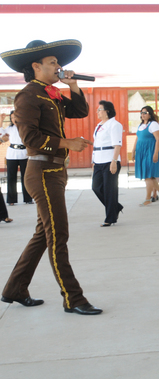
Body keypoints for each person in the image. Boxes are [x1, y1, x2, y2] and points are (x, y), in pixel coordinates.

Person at [0, 39, 102, 315]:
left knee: (44, 234)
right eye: (53, 62)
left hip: (55, 171)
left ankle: (14, 289)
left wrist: (73, 86)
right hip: (42, 171)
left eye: (58, 62)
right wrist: (67, 143)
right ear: (36, 66)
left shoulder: (50, 94)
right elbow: (30, 138)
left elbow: (80, 111)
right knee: (59, 234)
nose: (59, 66)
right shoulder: (28, 96)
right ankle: (73, 298)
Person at [91, 100, 124, 227]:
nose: (97, 112)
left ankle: (110, 218)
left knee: (110, 190)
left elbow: (117, 145)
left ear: (107, 111)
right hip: (98, 161)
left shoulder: (114, 125)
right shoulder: (99, 125)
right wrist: (93, 161)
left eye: (100, 109)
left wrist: (114, 161)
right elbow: (96, 144)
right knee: (96, 187)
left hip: (109, 160)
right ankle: (116, 207)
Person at [132, 105, 159, 206]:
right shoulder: (141, 125)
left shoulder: (154, 124)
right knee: (150, 176)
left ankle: (148, 198)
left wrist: (155, 153)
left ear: (150, 114)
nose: (143, 115)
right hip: (141, 152)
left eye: (145, 113)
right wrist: (133, 151)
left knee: (148, 176)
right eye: (141, 113)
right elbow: (137, 138)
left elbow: (158, 139)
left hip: (150, 152)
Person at [0, 111, 33, 205]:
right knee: (11, 177)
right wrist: (1, 120)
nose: (14, 119)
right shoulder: (9, 128)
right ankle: (11, 200)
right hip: (12, 154)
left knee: (25, 177)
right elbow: (1, 132)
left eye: (15, 117)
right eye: (12, 118)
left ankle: (28, 198)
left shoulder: (26, 127)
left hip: (24, 153)